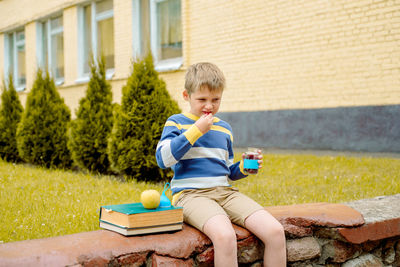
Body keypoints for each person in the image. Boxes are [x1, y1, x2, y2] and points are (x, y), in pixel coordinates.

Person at [155, 62, 286, 267]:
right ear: (186, 96)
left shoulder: (224, 128)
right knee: (225, 236)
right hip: (190, 195)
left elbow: (227, 172)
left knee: (275, 231)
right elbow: (163, 159)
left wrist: (243, 167)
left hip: (224, 193)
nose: (209, 106)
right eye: (202, 99)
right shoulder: (176, 122)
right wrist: (196, 130)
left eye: (216, 100)